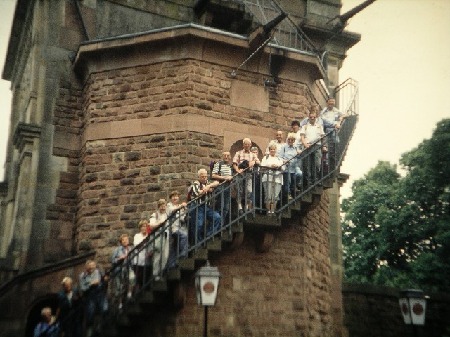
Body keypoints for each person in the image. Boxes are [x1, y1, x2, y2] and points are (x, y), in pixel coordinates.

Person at [188, 168, 221, 243]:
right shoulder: (195, 184)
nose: (204, 178)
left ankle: (207, 236)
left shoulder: (207, 183)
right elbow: (198, 193)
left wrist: (208, 186)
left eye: (206, 176)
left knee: (217, 217)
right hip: (198, 206)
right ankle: (198, 242)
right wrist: (206, 189)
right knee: (199, 225)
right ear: (199, 177)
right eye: (202, 176)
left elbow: (217, 182)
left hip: (207, 207)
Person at [232, 138, 258, 214]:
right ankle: (240, 207)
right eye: (245, 144)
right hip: (240, 173)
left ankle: (246, 206)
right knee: (239, 190)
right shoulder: (238, 153)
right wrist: (238, 170)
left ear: (250, 145)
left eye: (248, 144)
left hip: (249, 174)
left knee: (249, 190)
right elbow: (234, 163)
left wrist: (253, 162)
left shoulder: (252, 154)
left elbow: (258, 162)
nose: (247, 145)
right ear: (243, 145)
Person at [79, 260, 104, 337]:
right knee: (90, 314)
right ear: (86, 267)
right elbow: (83, 288)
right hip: (89, 296)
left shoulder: (97, 272)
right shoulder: (82, 276)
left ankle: (98, 327)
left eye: (93, 266)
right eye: (90, 266)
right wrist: (91, 284)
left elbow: (99, 283)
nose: (92, 268)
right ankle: (89, 332)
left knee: (103, 309)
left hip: (99, 294)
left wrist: (97, 283)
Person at [320, 97, 346, 170]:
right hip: (327, 130)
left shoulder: (336, 110)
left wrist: (340, 119)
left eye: (333, 102)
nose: (331, 103)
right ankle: (327, 163)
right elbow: (324, 120)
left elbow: (345, 115)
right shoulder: (324, 111)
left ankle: (334, 159)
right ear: (327, 102)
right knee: (327, 146)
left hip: (334, 130)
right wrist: (334, 124)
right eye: (330, 101)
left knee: (337, 143)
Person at [300, 110, 325, 186]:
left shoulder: (319, 127)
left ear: (316, 117)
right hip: (308, 146)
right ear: (309, 117)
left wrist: (324, 146)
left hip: (317, 145)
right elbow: (302, 137)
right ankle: (308, 181)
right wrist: (305, 144)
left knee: (317, 164)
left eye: (313, 117)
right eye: (311, 117)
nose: (312, 118)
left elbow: (323, 137)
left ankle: (315, 180)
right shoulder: (305, 126)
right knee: (307, 165)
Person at [166, 191, 189, 269]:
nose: (175, 198)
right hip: (172, 228)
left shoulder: (180, 207)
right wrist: (181, 206)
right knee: (184, 236)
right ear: (171, 198)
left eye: (176, 196)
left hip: (178, 227)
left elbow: (182, 218)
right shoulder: (169, 205)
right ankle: (183, 254)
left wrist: (185, 210)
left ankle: (171, 265)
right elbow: (172, 211)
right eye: (173, 196)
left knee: (173, 247)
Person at [149, 199, 170, 280]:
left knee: (165, 256)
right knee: (157, 256)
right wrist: (159, 223)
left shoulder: (167, 214)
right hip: (158, 236)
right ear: (158, 206)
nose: (163, 207)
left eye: (164, 205)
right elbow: (151, 225)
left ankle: (161, 273)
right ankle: (155, 274)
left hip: (166, 236)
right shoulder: (155, 215)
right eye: (161, 206)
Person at [260, 144, 284, 215]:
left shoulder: (279, 159)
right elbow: (262, 167)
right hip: (268, 178)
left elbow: (283, 168)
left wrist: (277, 167)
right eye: (271, 149)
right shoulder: (266, 158)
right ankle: (268, 210)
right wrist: (270, 166)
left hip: (278, 179)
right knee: (268, 195)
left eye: (274, 149)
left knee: (275, 196)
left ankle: (273, 210)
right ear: (269, 150)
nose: (272, 151)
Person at [211, 151, 234, 221]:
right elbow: (213, 175)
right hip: (221, 186)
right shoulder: (219, 164)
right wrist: (225, 178)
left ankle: (220, 224)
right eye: (224, 155)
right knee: (220, 206)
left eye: (227, 155)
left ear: (230, 157)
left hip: (228, 186)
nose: (226, 157)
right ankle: (217, 224)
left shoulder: (230, 166)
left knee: (226, 208)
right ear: (222, 156)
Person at [280, 133, 303, 202]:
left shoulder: (296, 147)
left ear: (294, 140)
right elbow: (280, 157)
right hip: (287, 167)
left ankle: (294, 187)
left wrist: (299, 153)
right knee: (288, 181)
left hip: (294, 166)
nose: (290, 141)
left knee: (299, 174)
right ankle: (288, 194)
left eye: (292, 140)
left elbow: (299, 157)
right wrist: (284, 161)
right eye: (289, 139)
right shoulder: (284, 147)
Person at [133, 220, 152, 291]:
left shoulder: (150, 236)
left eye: (146, 226)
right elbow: (137, 245)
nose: (144, 228)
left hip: (147, 261)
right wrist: (145, 240)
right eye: (143, 226)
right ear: (140, 228)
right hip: (138, 261)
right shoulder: (137, 236)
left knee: (146, 279)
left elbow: (152, 246)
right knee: (138, 279)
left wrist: (151, 252)